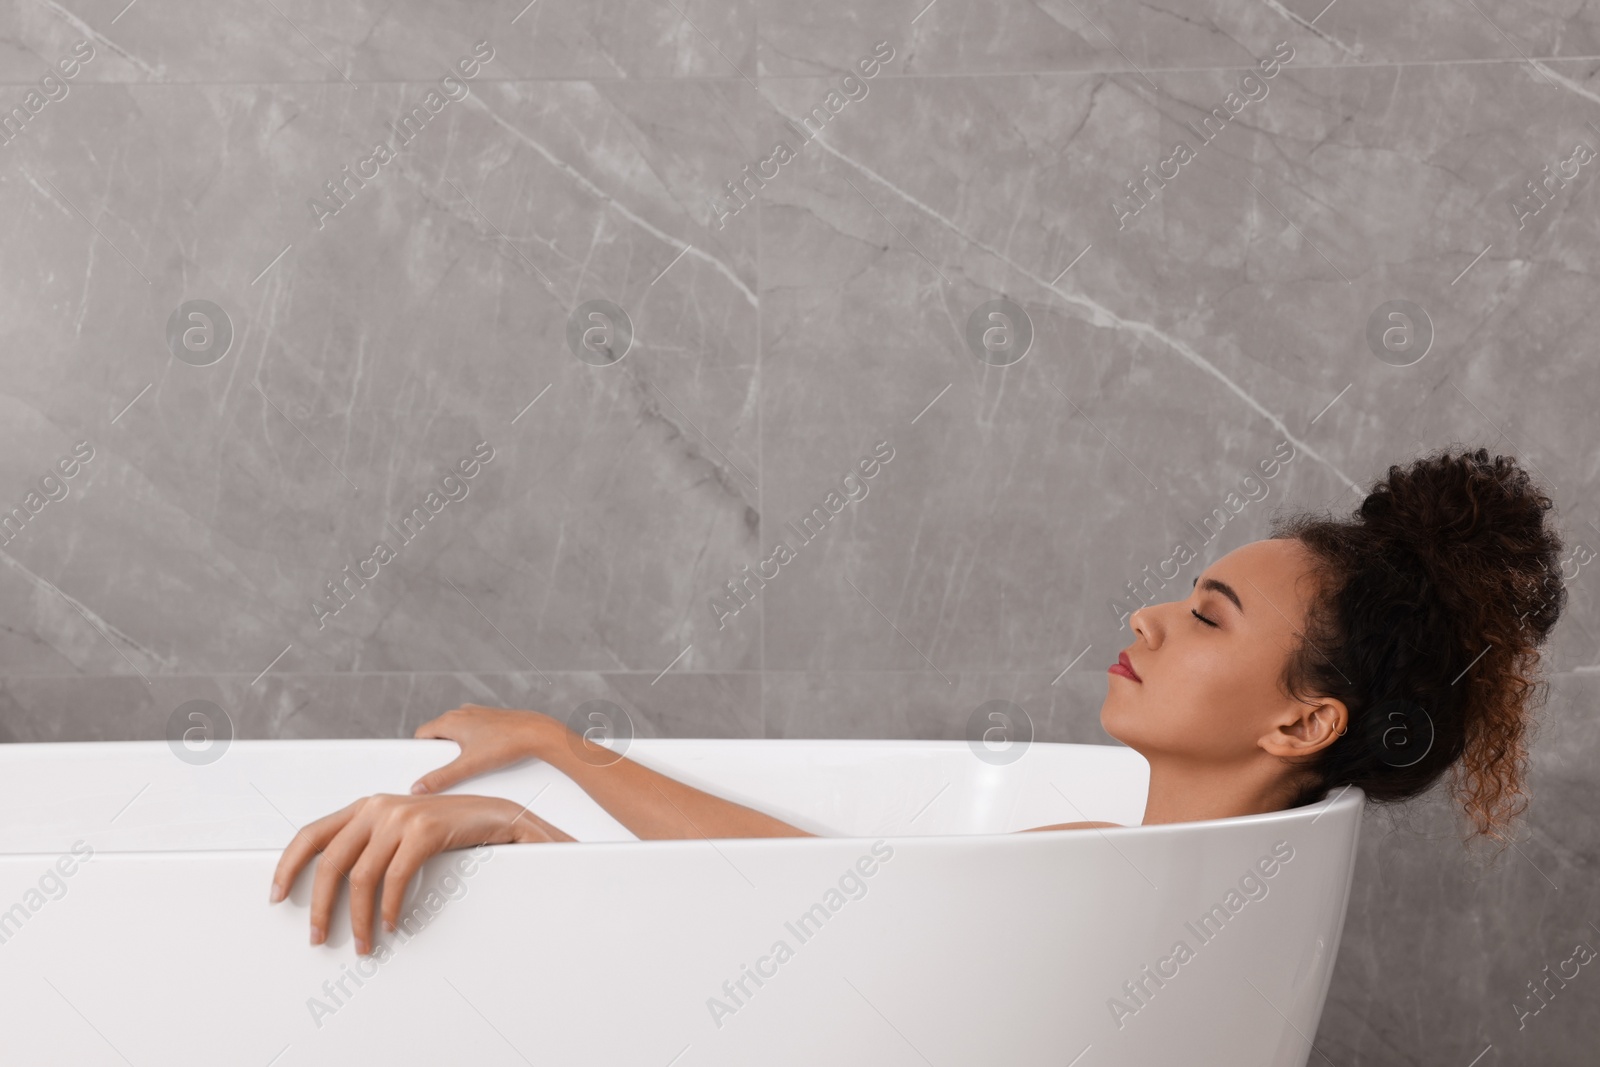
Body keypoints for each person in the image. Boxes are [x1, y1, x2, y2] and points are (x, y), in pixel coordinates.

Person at [269, 447, 1565, 956]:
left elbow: (803, 978)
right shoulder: (1128, 873)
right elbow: (829, 891)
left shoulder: (1127, 895)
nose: (1148, 617)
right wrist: (564, 752)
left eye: (1210, 615)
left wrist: (520, 843)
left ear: (1300, 724)